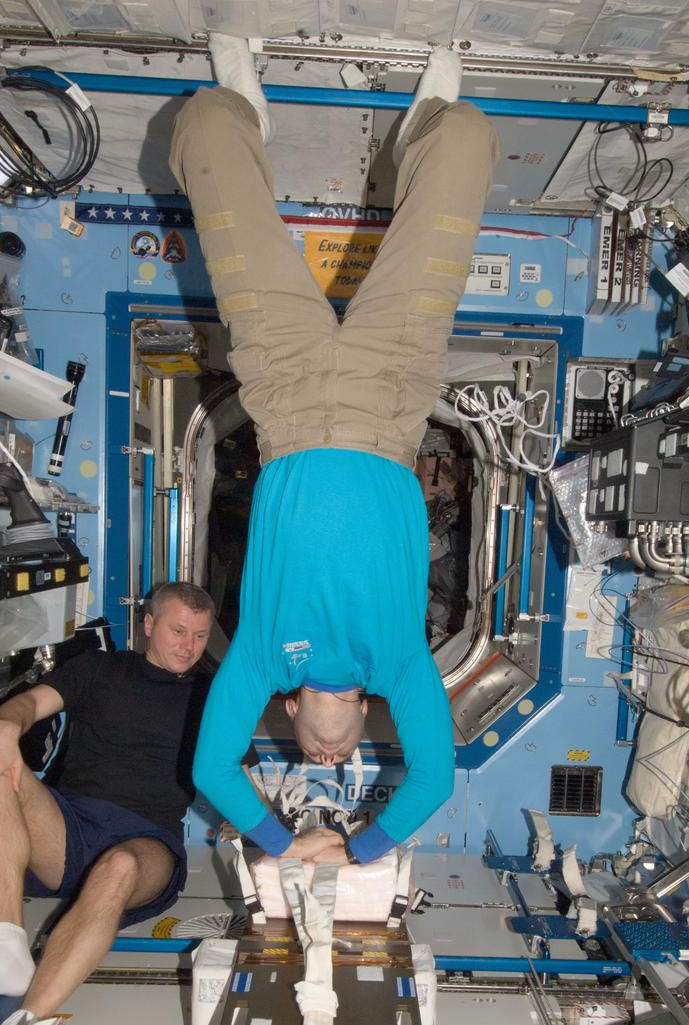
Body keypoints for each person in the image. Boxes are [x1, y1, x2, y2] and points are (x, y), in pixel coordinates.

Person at [170, 39, 500, 867]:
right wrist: (355, 850)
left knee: (206, 121)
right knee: (465, 140)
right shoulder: (402, 665)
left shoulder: (256, 657)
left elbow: (213, 765)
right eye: (346, 759)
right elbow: (432, 778)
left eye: (314, 758)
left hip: (281, 397)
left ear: (285, 716)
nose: (330, 758)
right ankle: (423, 128)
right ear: (365, 723)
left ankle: (244, 113)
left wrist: (284, 842)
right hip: (390, 400)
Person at [0, 581, 219, 1025]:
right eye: (178, 630)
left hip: (146, 843)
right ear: (148, 625)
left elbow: (237, 776)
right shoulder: (100, 669)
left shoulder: (212, 695)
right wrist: (6, 731)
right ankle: (5, 946)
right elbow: (23, 706)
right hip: (68, 824)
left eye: (200, 636)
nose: (188, 645)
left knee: (118, 866)